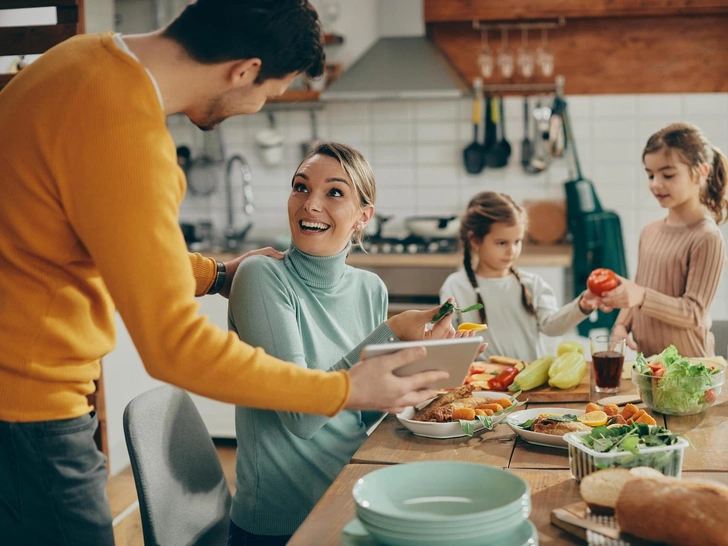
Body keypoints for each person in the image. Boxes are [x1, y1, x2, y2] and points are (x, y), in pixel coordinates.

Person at [0, 2, 446, 544]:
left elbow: (103, 243)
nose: (257, 108)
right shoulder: (126, 132)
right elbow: (174, 348)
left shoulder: (77, 61)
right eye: (268, 94)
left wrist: (215, 274)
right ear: (243, 71)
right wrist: (343, 389)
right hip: (27, 407)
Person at [226, 142, 482, 545]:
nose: (310, 204)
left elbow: (361, 415)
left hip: (354, 497)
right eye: (300, 187)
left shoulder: (368, 288)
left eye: (334, 192)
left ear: (364, 217)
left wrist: (424, 371)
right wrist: (392, 330)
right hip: (284, 527)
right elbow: (304, 416)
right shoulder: (260, 278)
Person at [604, 123, 727, 357]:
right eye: (650, 174)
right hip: (650, 366)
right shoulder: (650, 231)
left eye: (667, 175)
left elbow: (693, 313)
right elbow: (641, 287)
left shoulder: (706, 237)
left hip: (690, 369)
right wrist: (622, 324)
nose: (655, 184)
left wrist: (640, 296)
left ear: (701, 172)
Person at [440, 192, 604, 361]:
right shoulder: (455, 286)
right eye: (502, 243)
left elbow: (552, 327)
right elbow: (446, 342)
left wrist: (582, 306)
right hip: (480, 381)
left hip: (527, 380)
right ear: (475, 240)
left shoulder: (532, 284)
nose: (512, 251)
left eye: (517, 241)